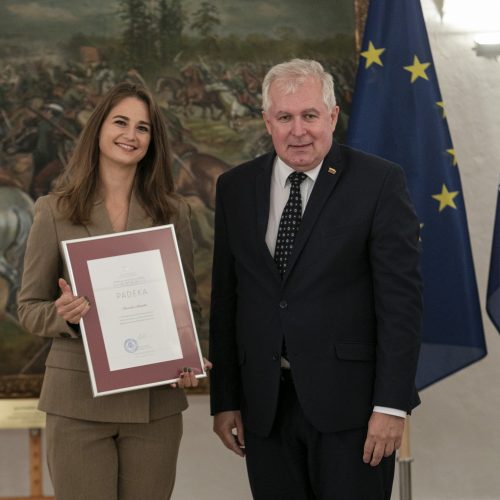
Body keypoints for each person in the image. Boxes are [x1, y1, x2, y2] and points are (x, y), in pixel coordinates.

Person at [209, 59, 422, 500]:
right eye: (285, 117)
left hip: (354, 412)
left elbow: (401, 303)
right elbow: (227, 300)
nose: (298, 130)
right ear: (267, 121)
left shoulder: (379, 181)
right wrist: (225, 398)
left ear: (332, 116)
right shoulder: (235, 187)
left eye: (309, 115)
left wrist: (391, 405)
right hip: (265, 410)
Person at [18, 82, 210, 500]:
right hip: (78, 403)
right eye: (121, 122)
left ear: (151, 141)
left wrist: (188, 353)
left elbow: (187, 303)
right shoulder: (54, 210)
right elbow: (29, 307)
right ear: (98, 130)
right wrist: (62, 313)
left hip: (155, 404)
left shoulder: (173, 212)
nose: (131, 134)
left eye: (143, 128)